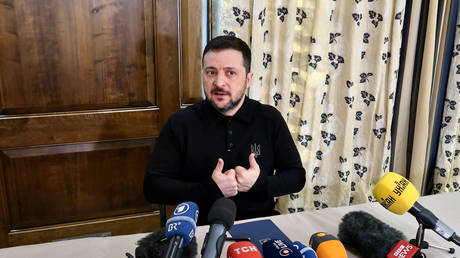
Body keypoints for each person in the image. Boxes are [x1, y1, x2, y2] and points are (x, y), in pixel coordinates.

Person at [143, 35, 306, 225]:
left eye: (230, 73)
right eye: (211, 72)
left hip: (259, 224)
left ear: (248, 79)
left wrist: (259, 183)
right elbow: (153, 187)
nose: (219, 82)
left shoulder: (269, 118)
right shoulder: (180, 123)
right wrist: (210, 189)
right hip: (198, 228)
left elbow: (296, 177)